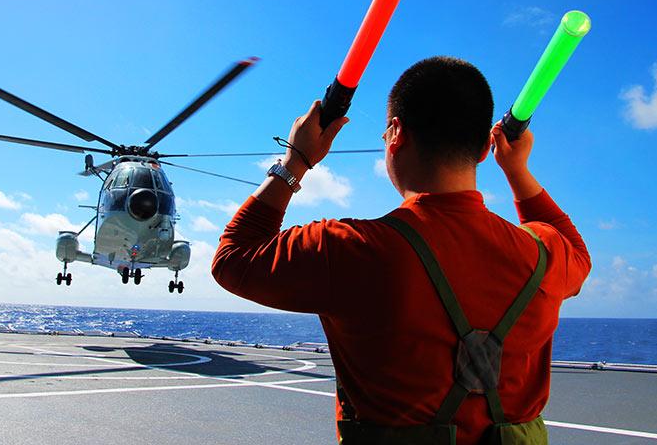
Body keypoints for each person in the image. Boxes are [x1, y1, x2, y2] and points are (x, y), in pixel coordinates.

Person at [212, 56, 590, 445]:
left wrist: (296, 161)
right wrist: (517, 171)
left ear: (395, 133)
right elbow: (577, 250)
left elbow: (233, 258)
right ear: (482, 150)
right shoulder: (545, 253)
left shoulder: (351, 249)